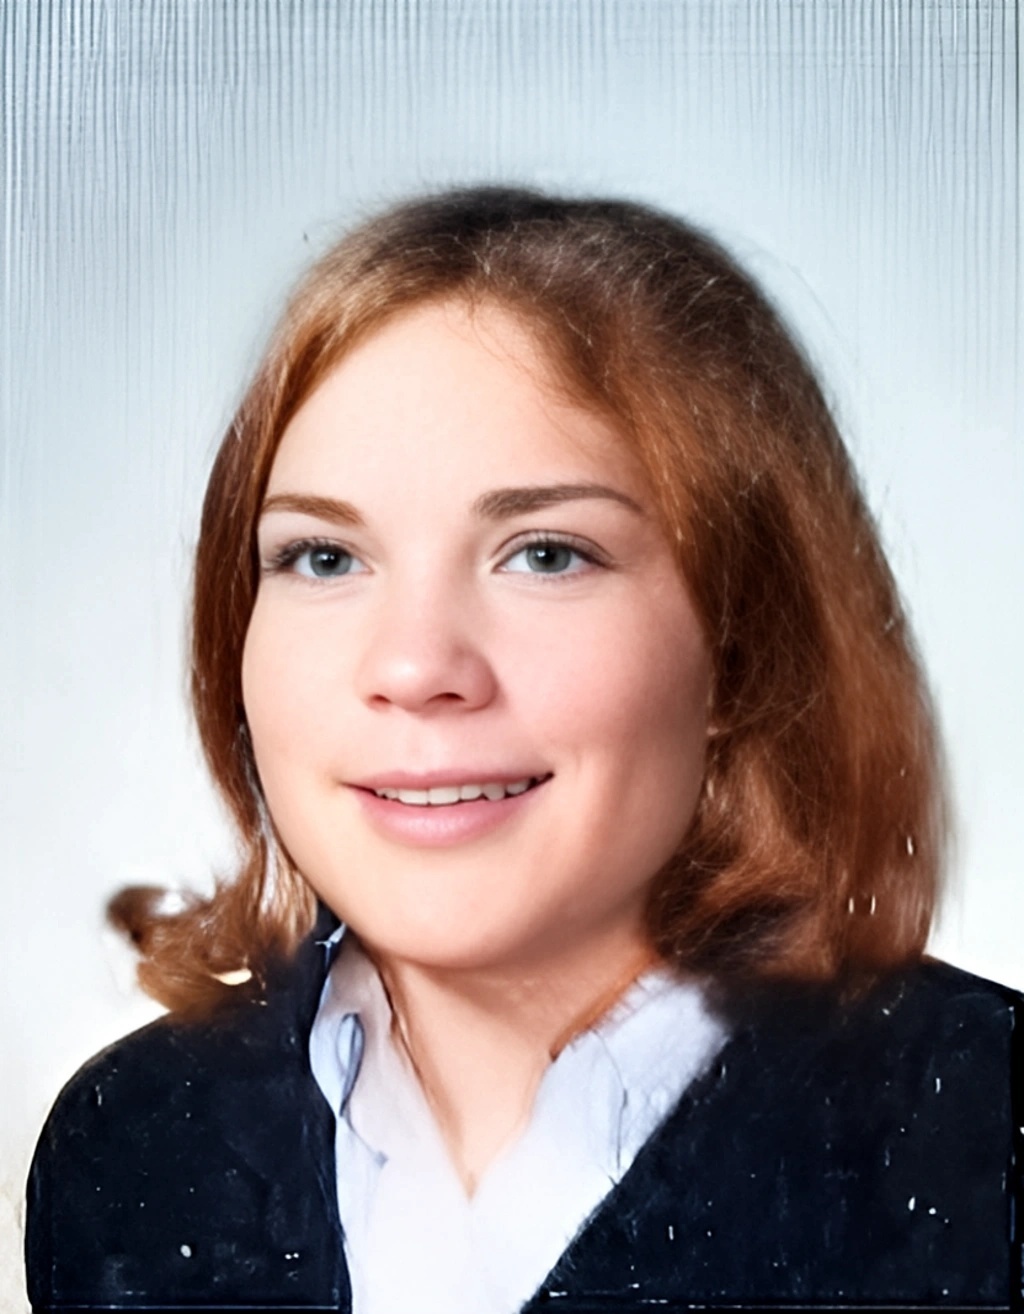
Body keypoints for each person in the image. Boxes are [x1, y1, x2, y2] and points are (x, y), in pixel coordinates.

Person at [25, 187, 1021, 1312]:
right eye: (324, 557)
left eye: (545, 554)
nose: (414, 666)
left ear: (743, 644)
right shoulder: (132, 1149)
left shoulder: (987, 1133)